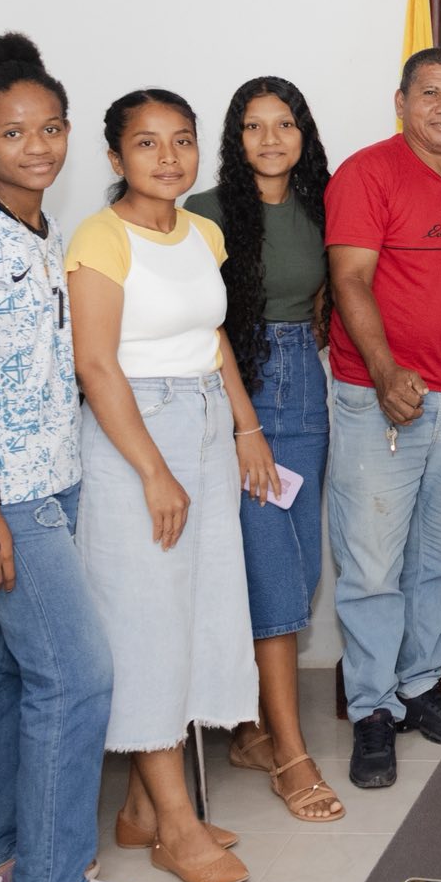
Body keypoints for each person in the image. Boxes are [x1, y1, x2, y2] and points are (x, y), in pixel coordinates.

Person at [67, 89, 275, 882]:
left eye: (181, 140)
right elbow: (95, 364)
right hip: (134, 434)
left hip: (205, 419)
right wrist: (154, 470)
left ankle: (141, 810)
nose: (168, 157)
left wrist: (246, 427)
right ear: (115, 157)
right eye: (147, 143)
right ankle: (175, 825)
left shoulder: (202, 232)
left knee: (199, 612)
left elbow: (211, 336)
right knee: (148, 624)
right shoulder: (100, 237)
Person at [0, 36, 134, 882]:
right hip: (10, 493)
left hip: (55, 475)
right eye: (14, 132)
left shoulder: (44, 228)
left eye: (51, 128)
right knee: (75, 677)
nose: (38, 147)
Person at [325, 47, 441, 789]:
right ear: (400, 102)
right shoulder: (365, 174)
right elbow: (349, 278)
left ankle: (420, 683)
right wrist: (383, 371)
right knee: (372, 564)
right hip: (381, 399)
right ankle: (372, 708)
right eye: (430, 92)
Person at [185, 77, 344, 825]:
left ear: (303, 134)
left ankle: (249, 728)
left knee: (299, 570)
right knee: (275, 576)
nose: (271, 139)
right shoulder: (206, 212)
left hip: (304, 390)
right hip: (238, 394)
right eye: (254, 126)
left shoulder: (323, 207)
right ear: (235, 137)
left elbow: (329, 298)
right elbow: (201, 324)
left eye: (285, 124)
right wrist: (243, 424)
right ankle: (291, 755)